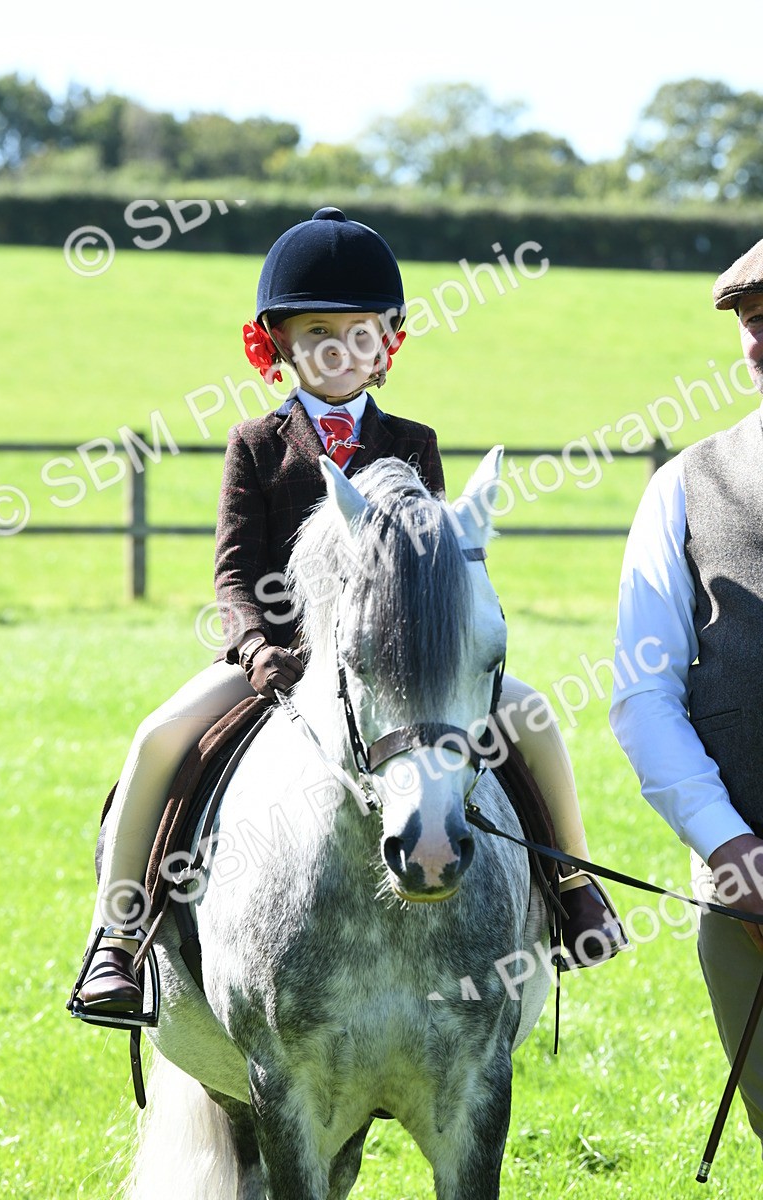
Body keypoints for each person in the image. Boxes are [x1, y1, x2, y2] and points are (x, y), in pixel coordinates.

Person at [74, 207, 623, 1015]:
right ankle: (116, 941)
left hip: (398, 668)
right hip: (284, 666)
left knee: (531, 715)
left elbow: (434, 565)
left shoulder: (413, 440)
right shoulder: (257, 444)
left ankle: (574, 891)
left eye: (360, 332)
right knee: (158, 737)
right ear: (280, 346)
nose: (340, 349)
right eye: (318, 331)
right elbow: (235, 572)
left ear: (387, 344)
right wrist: (259, 649)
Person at [610, 236, 763, 1144]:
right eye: (754, 323)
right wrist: (730, 847)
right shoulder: (685, 488)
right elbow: (642, 694)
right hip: (749, 900)